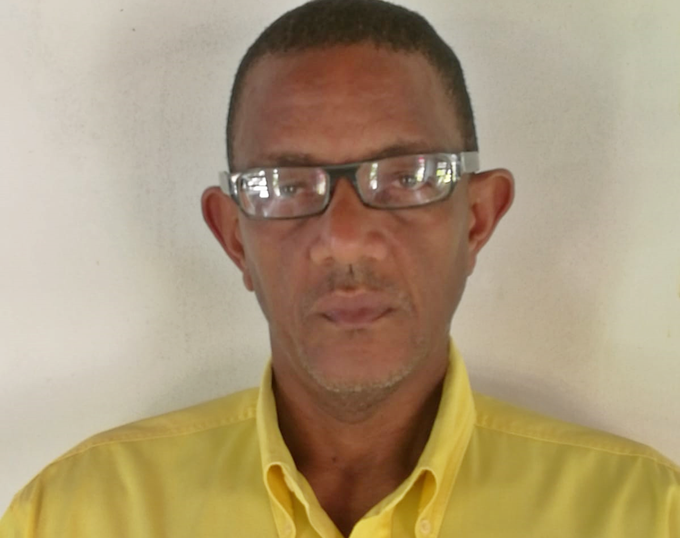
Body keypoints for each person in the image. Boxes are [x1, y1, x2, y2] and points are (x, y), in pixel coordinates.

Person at [1, 0, 678, 537]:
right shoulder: (73, 517)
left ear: (476, 219)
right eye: (287, 185)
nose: (346, 239)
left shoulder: (644, 516)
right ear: (234, 238)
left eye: (407, 176)